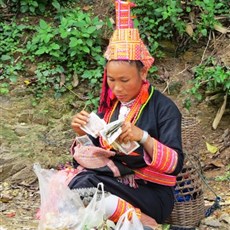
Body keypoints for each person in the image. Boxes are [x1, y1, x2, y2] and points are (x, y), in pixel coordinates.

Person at [69, 0, 184, 228]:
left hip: (153, 193)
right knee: (78, 183)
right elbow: (91, 156)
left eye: (124, 80)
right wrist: (81, 134)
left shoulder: (164, 108)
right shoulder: (109, 107)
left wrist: (142, 136)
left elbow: (176, 164)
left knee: (87, 185)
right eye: (111, 80)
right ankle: (133, 221)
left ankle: (139, 221)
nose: (117, 88)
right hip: (115, 182)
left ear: (143, 72)